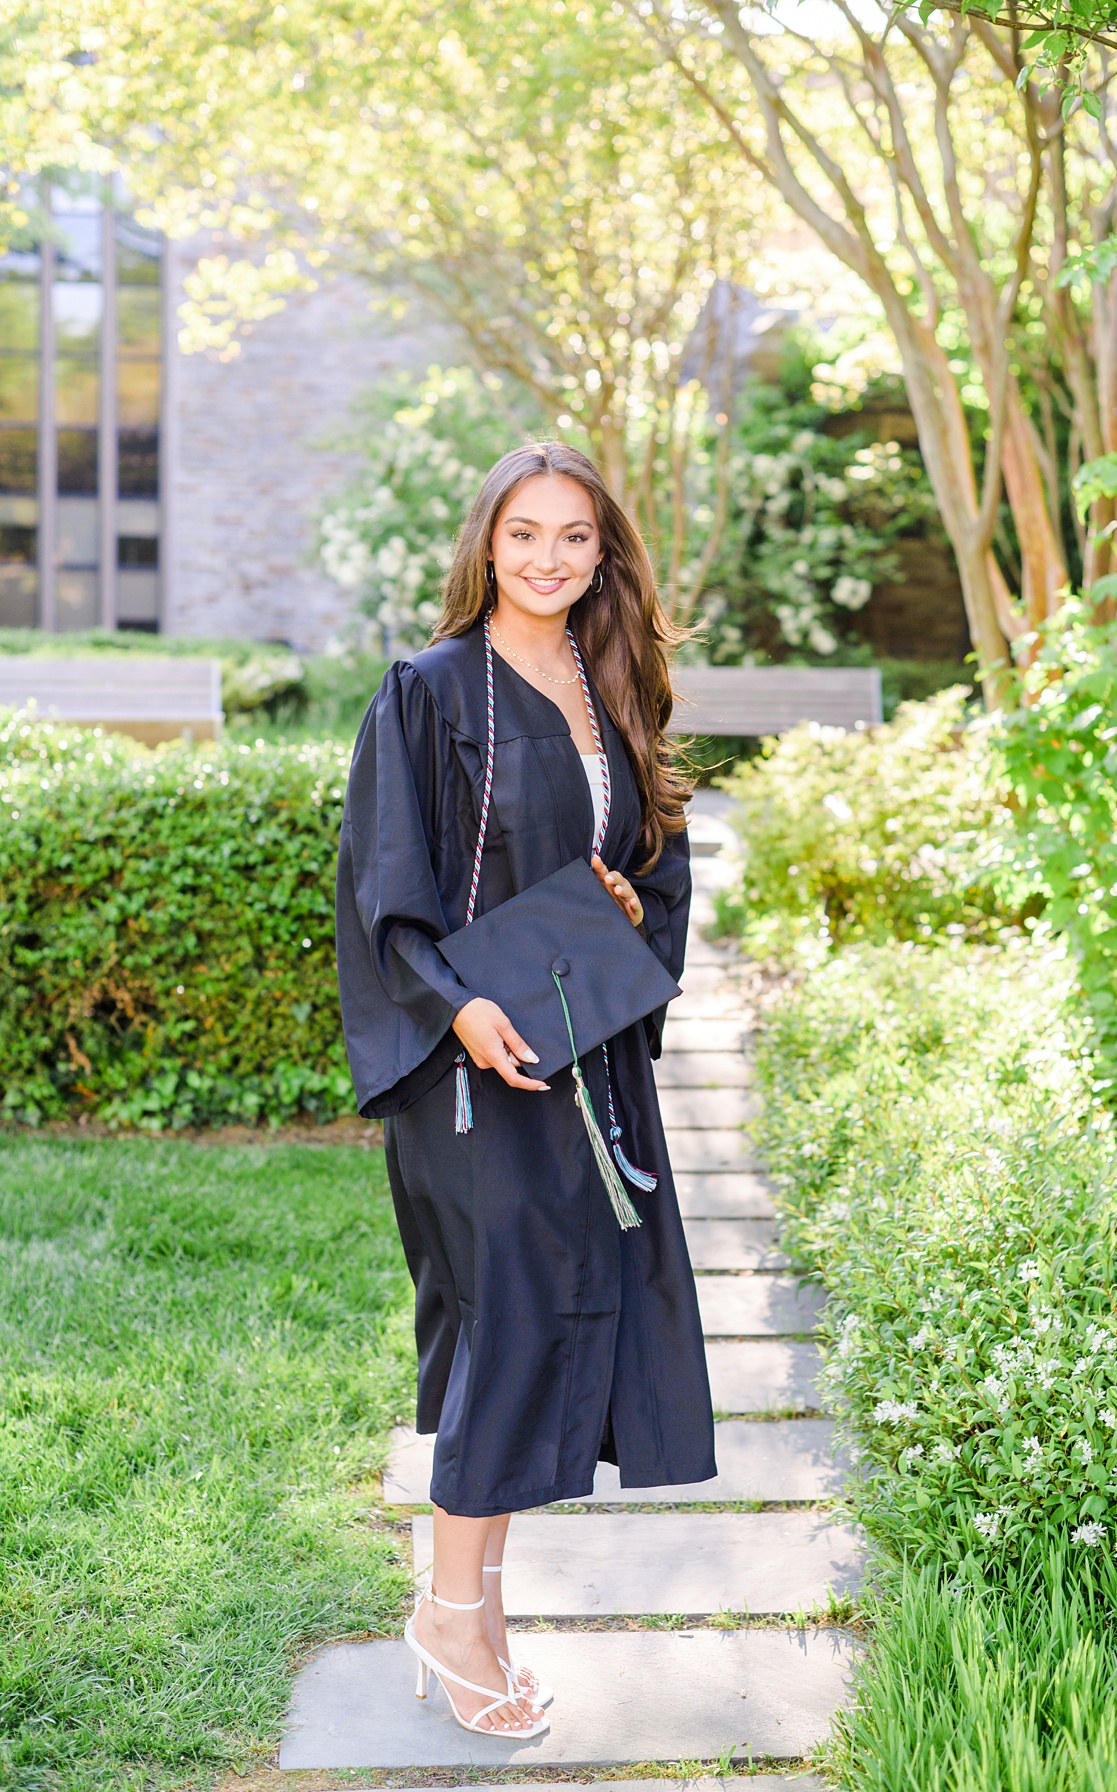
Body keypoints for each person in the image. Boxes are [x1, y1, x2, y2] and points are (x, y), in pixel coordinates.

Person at [334, 443, 714, 1737]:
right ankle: (447, 1615)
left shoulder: (611, 690)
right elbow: (390, 889)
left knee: (546, 1316)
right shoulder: (432, 693)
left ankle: (480, 1614)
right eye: (523, 536)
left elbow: (649, 862)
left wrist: (620, 894)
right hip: (474, 1063)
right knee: (500, 1325)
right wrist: (461, 1005)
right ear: (485, 547)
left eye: (573, 538)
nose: (547, 559)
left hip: (575, 1040)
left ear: (603, 554)